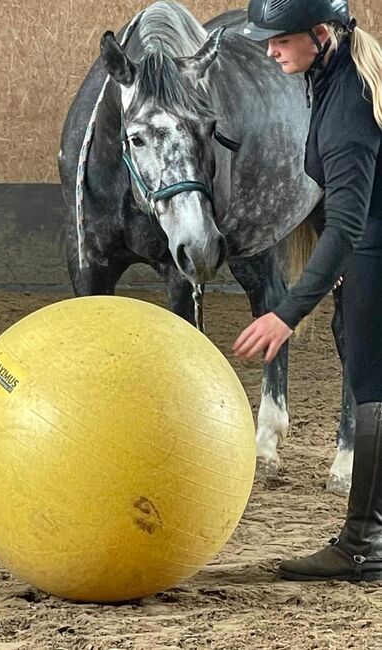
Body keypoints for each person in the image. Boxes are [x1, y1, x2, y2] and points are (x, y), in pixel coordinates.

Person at [234, 0, 382, 581]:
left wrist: (287, 313)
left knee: (372, 386)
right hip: (369, 249)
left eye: (280, 40)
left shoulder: (347, 102)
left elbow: (347, 224)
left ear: (321, 34)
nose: (270, 51)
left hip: (373, 248)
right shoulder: (337, 74)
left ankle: (363, 545)